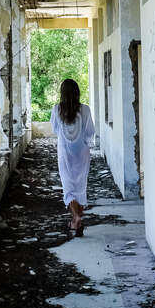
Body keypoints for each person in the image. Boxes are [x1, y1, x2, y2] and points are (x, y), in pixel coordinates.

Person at [50, 78, 95, 233]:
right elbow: (90, 133)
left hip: (64, 154)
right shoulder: (86, 109)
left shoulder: (57, 110)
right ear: (77, 93)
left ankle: (76, 218)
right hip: (82, 153)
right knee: (80, 186)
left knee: (68, 187)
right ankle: (78, 220)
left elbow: (56, 130)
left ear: (62, 94)